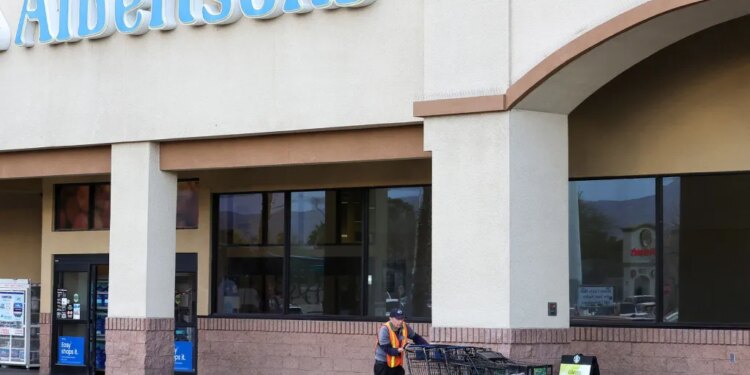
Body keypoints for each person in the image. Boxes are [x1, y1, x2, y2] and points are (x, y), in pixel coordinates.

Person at [374, 308, 429, 375]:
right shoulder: (384, 329)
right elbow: (387, 349)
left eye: (402, 318)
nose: (400, 321)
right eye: (398, 319)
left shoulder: (404, 326)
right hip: (383, 364)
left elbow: (416, 337)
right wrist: (399, 350)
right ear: (390, 319)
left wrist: (428, 346)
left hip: (396, 363)